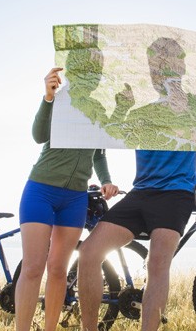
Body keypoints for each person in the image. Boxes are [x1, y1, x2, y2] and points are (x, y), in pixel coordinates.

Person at [78, 50, 196, 331]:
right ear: (152, 75)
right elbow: (103, 134)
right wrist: (119, 105)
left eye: (169, 65)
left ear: (181, 68)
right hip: (140, 193)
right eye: (157, 68)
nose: (163, 73)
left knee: (157, 266)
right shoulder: (140, 111)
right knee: (88, 253)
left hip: (176, 195)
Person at [15, 67, 120, 331]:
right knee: (33, 268)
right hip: (41, 189)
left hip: (75, 197)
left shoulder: (98, 109)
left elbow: (99, 153)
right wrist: (48, 97)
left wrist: (106, 179)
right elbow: (38, 135)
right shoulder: (60, 100)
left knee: (59, 270)